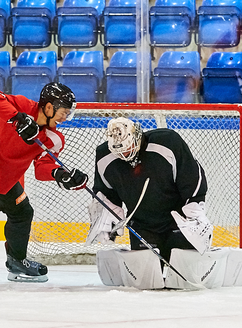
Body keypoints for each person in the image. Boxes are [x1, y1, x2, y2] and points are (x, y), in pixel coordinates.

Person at [0, 82, 88, 290]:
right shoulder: (23, 107)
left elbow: (43, 168)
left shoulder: (54, 138)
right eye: (63, 111)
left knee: (22, 211)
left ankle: (16, 261)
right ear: (49, 107)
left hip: (0, 174)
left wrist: (60, 174)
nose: (65, 116)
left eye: (68, 112)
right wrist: (17, 118)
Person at [86, 117, 214, 288]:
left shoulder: (167, 142)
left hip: (178, 222)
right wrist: (107, 215)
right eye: (119, 153)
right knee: (145, 283)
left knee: (185, 281)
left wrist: (195, 212)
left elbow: (191, 177)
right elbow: (106, 192)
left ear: (137, 136)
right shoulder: (104, 156)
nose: (125, 156)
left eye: (128, 149)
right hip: (142, 226)